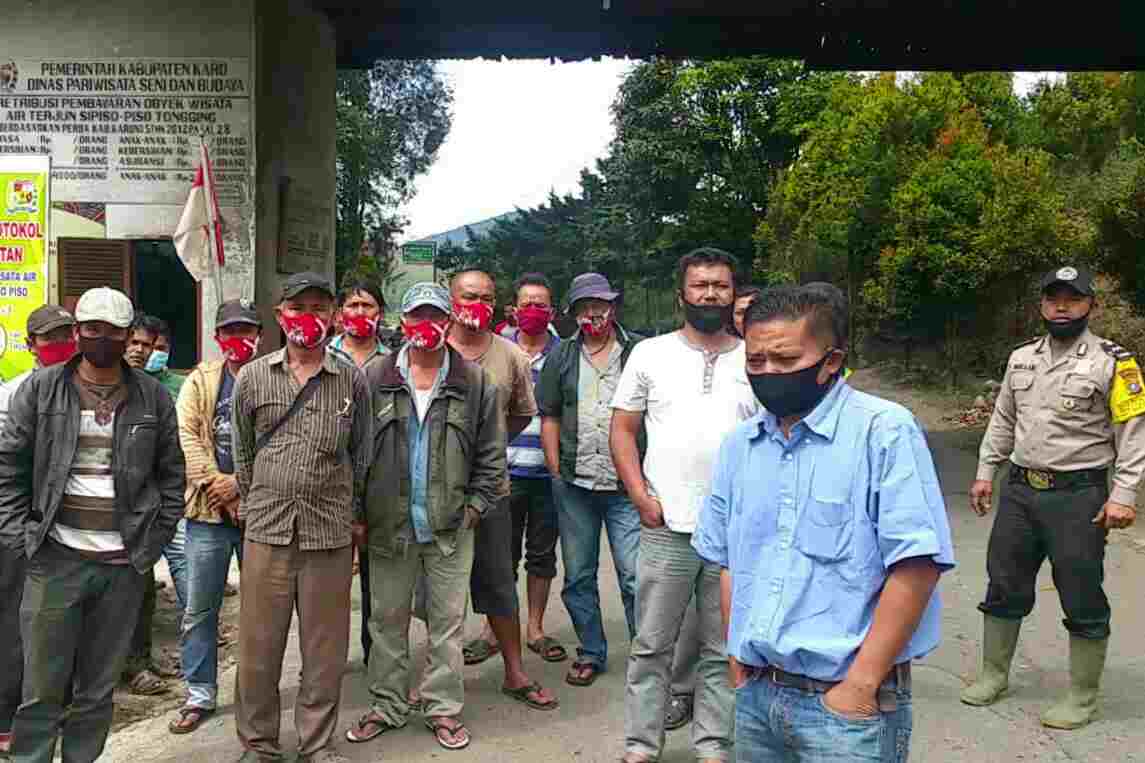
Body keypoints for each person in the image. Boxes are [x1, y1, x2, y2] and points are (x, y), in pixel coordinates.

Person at [692, 285, 955, 762]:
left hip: (845, 708)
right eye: (755, 361)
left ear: (831, 362)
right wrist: (737, 661)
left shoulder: (884, 432)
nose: (768, 372)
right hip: (758, 694)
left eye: (785, 359)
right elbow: (730, 563)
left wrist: (860, 685)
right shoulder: (739, 448)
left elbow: (917, 565)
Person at [0, 286, 185, 763]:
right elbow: (9, 468)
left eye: (114, 332)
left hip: (122, 567)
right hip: (54, 561)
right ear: (79, 332)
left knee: (97, 692)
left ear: (128, 337)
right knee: (40, 691)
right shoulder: (40, 390)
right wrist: (22, 538)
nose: (103, 339)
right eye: (93, 330)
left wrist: (151, 543)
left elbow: (171, 476)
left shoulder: (152, 398)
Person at [963, 265, 1145, 729]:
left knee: (1080, 590)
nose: (1061, 306)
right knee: (1003, 581)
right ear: (1041, 305)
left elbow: (1132, 433)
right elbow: (1003, 418)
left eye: (1072, 298)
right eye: (1052, 298)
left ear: (1090, 305)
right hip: (1021, 490)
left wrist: (1124, 494)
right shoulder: (1021, 357)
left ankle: (1082, 696)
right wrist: (987, 470)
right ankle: (993, 674)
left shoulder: (1114, 361)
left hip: (1078, 496)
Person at [612, 248, 761, 763]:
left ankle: (713, 747)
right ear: (683, 294)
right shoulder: (649, 354)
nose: (711, 294)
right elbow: (623, 430)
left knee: (721, 651)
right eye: (701, 285)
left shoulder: (756, 357)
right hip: (666, 526)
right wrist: (638, 494)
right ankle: (640, 746)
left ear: (733, 292)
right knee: (652, 645)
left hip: (734, 535)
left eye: (720, 285)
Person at [345, 283, 505, 752]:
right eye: (416, 316)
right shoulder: (372, 378)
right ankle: (388, 705)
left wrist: (474, 509)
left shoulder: (474, 383)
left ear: (450, 320)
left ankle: (443, 709)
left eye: (436, 316)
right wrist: (357, 513)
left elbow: (492, 457)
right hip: (387, 525)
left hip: (450, 527)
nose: (426, 326)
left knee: (447, 624)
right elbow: (354, 454)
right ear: (402, 321)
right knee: (386, 620)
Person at [231, 271, 371, 763]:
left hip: (328, 533)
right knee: (257, 650)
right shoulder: (252, 377)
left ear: (332, 316)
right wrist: (255, 502)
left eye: (318, 308)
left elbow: (363, 452)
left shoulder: (350, 377)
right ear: (279, 315)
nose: (307, 318)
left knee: (324, 650)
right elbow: (243, 455)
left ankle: (317, 744)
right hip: (267, 530)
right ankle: (259, 744)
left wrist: (353, 516)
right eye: (297, 308)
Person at [447, 269, 559, 712]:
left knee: (497, 579)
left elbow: (519, 415)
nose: (477, 303)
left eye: (486, 297)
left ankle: (514, 671)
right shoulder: (432, 349)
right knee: (436, 587)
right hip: (434, 489)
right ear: (453, 299)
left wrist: (487, 447)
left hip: (492, 487)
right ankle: (436, 677)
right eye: (469, 295)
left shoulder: (510, 355)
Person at [535, 271, 643, 688]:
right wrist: (554, 467)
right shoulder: (561, 358)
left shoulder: (638, 353)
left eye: (600, 304)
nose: (593, 313)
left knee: (634, 575)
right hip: (574, 484)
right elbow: (549, 414)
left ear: (613, 307)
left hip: (625, 485)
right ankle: (591, 652)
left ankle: (645, 653)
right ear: (574, 313)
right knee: (579, 574)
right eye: (584, 307)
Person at [170, 299, 263, 735]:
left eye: (246, 330)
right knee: (198, 608)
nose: (237, 339)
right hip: (207, 514)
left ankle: (258, 691)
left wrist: (243, 485)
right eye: (230, 331)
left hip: (260, 515)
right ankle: (199, 694)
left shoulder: (271, 378)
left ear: (260, 334)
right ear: (217, 337)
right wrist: (221, 489)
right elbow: (187, 437)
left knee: (263, 609)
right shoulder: (199, 381)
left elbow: (279, 441)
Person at [0, 304, 77, 757]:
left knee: (63, 622)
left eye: (67, 335)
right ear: (31, 346)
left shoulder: (92, 388)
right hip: (21, 528)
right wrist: (15, 531)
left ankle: (55, 709)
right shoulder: (12, 395)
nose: (61, 345)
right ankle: (9, 717)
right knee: (16, 621)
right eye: (50, 338)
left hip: (70, 527)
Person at [122, 312, 189, 695]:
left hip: (142, 514)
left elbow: (170, 460)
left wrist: (164, 515)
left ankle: (137, 664)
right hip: (93, 514)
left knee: (140, 592)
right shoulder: (94, 387)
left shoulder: (156, 395)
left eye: (146, 345)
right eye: (132, 341)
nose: (138, 350)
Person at [326, 280, 391, 666]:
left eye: (367, 306)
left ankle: (375, 656)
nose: (360, 313)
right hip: (333, 477)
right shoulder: (323, 355)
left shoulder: (395, 359)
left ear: (379, 313)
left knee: (376, 578)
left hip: (380, 476)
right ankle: (326, 659)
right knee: (329, 579)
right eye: (352, 305)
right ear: (339, 315)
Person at [504, 273, 565, 663]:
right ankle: (494, 629)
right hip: (504, 473)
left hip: (547, 473)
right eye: (526, 304)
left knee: (541, 556)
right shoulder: (497, 349)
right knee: (499, 558)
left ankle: (535, 628)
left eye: (541, 305)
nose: (533, 311)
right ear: (513, 309)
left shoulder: (564, 353)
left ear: (552, 311)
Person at [127, 314, 186, 399]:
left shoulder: (183, 385)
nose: (140, 349)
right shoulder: (112, 379)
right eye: (134, 342)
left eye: (146, 345)